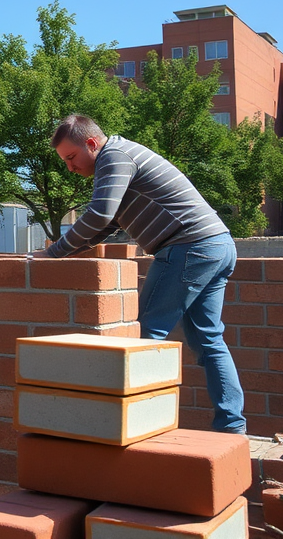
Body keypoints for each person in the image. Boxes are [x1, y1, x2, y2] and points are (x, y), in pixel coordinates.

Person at [34, 114, 245, 434]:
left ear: (91, 143)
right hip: (216, 245)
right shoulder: (118, 160)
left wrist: (51, 253)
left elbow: (99, 214)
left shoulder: (115, 157)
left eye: (71, 158)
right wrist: (60, 254)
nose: (70, 168)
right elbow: (106, 225)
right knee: (208, 340)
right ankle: (232, 427)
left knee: (145, 334)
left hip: (189, 247)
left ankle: (140, 428)